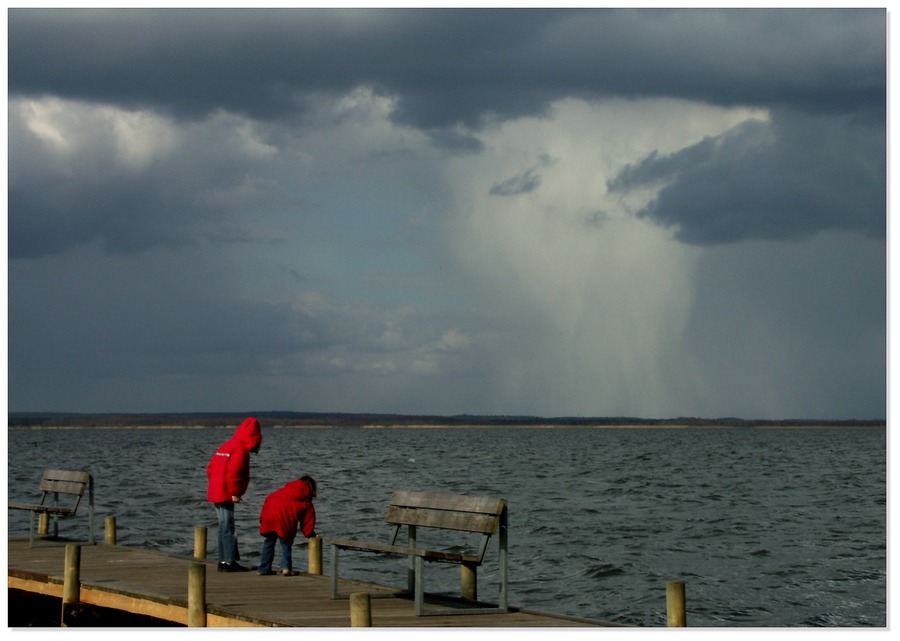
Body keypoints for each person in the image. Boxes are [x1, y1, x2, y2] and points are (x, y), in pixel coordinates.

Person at [206, 416, 262, 572]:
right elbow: (234, 473)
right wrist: (235, 492)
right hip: (225, 492)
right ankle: (229, 561)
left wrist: (215, 485)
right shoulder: (240, 450)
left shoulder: (227, 445)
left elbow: (210, 469)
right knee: (228, 526)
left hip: (216, 490)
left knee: (222, 526)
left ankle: (223, 561)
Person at [257, 475, 318, 576]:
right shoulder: (306, 499)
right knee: (285, 543)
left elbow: (268, 500)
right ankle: (286, 567)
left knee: (269, 542)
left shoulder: (283, 490)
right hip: (284, 519)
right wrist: (309, 534)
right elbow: (307, 520)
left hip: (269, 515)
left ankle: (264, 568)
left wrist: (262, 520)